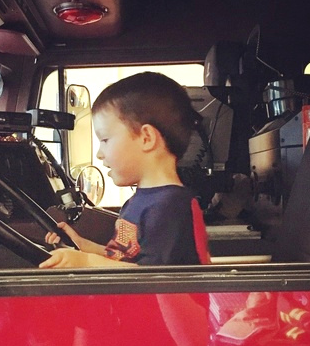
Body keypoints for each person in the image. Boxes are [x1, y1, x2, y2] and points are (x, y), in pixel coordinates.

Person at [39, 72, 211, 268]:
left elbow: (153, 278)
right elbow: (121, 257)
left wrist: (87, 262)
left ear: (146, 138)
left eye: (105, 140)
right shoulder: (138, 201)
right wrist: (81, 246)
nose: (99, 154)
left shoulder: (170, 207)